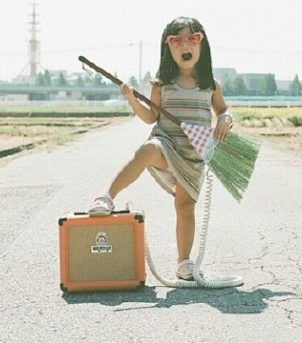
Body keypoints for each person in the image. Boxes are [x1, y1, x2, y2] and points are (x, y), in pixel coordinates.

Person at [89, 17, 233, 281]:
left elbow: (223, 109)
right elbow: (150, 118)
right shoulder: (160, 84)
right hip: (166, 144)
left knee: (185, 205)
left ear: (203, 44)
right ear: (168, 48)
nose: (185, 44)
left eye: (193, 38)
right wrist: (132, 100)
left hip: (194, 156)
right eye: (176, 40)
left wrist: (225, 119)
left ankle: (184, 262)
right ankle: (106, 196)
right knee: (147, 149)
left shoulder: (210, 84)